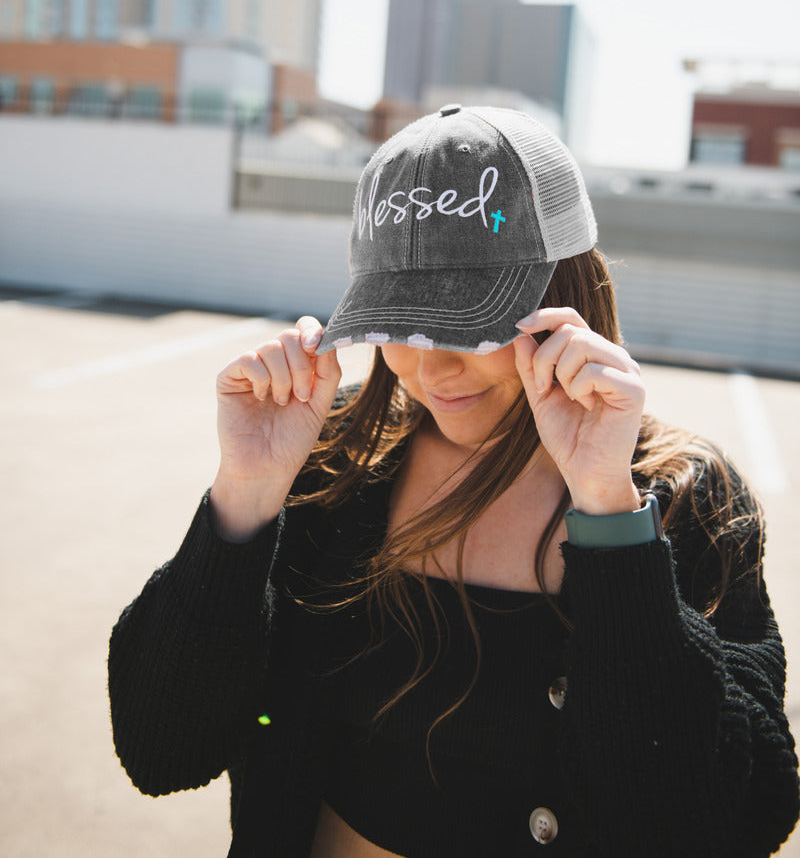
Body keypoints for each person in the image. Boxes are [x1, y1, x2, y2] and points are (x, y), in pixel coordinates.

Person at [109, 105, 799, 857]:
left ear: (567, 293)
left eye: (467, 326)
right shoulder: (331, 461)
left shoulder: (687, 499)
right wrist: (245, 495)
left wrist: (608, 512)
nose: (428, 369)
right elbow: (161, 749)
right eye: (397, 326)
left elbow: (731, 822)